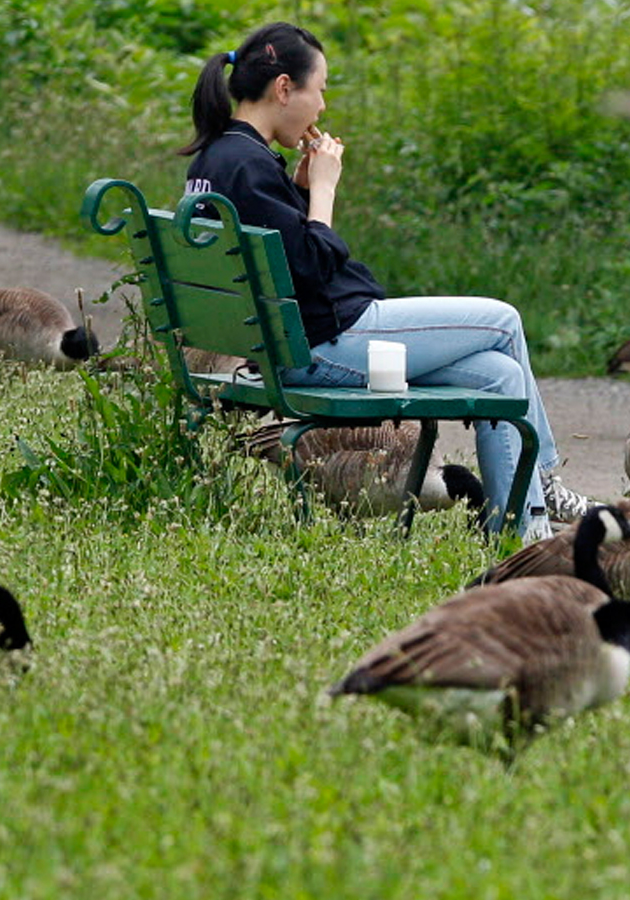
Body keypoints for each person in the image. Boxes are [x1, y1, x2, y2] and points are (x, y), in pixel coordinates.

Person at [178, 21, 591, 539]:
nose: (321, 107)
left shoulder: (220, 159)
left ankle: (522, 535)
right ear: (284, 88)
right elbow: (312, 267)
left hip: (287, 342)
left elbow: (283, 258)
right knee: (503, 320)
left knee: (501, 376)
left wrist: (299, 192)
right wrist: (324, 191)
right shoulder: (249, 164)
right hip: (323, 344)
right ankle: (545, 482)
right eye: (319, 90)